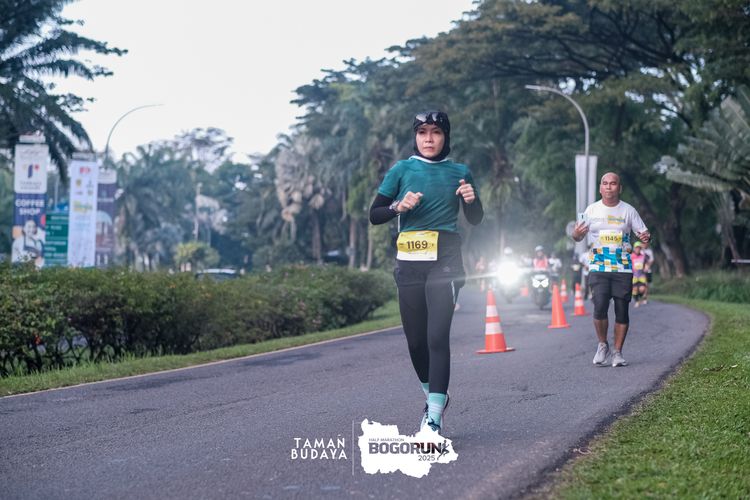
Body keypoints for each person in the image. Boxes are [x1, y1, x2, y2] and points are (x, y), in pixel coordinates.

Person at [369, 110, 483, 435]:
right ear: (415, 137)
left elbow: (475, 218)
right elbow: (375, 214)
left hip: (446, 257)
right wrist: (397, 207)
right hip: (409, 260)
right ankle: (436, 396)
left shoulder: (460, 172)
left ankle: (433, 417)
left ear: (446, 137)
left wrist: (471, 201)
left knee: (436, 336)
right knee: (416, 341)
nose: (429, 139)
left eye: (436, 132)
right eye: (422, 133)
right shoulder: (401, 170)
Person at [571, 172, 650, 367]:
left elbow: (643, 233)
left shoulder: (628, 211)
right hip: (598, 265)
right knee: (599, 306)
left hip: (622, 267)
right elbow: (578, 237)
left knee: (622, 311)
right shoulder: (591, 210)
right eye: (605, 183)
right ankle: (602, 344)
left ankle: (617, 353)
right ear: (600, 188)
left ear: (619, 188)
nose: (608, 187)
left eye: (613, 184)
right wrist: (576, 233)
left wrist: (645, 237)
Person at [631, 242, 650, 307]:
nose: (638, 249)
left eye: (639, 248)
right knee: (634, 289)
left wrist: (646, 267)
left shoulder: (643, 256)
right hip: (634, 275)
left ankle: (641, 297)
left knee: (642, 289)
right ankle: (637, 301)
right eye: (636, 248)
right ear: (634, 248)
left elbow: (647, 263)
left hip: (641, 275)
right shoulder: (631, 256)